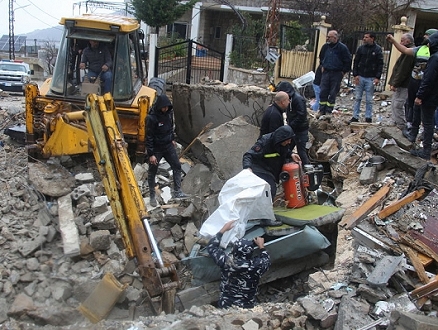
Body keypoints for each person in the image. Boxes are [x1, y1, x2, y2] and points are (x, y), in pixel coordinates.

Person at [207, 220, 271, 309]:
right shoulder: (256, 266)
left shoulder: (226, 262)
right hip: (247, 307)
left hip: (226, 306)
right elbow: (266, 259)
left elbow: (211, 247)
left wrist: (223, 230)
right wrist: (261, 246)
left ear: (234, 250)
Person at [386, 29, 438, 134]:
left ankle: (426, 139)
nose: (425, 38)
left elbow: (404, 70)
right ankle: (413, 132)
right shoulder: (421, 49)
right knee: (413, 108)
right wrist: (393, 41)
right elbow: (405, 50)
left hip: (428, 87)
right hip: (415, 84)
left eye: (427, 36)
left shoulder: (435, 55)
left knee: (427, 115)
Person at [146, 94, 188, 206]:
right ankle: (152, 196)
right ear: (159, 106)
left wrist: (172, 139)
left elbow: (170, 128)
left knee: (177, 166)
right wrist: (151, 154)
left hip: (168, 146)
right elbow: (149, 136)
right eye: (163, 107)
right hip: (156, 149)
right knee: (152, 171)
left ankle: (177, 192)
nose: (165, 109)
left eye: (167, 107)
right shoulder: (152, 118)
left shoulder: (169, 114)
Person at [242, 125, 301, 200]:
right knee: (270, 189)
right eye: (288, 140)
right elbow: (248, 155)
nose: (289, 142)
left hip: (271, 170)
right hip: (260, 168)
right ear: (282, 138)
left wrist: (291, 154)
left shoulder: (282, 143)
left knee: (271, 190)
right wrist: (247, 168)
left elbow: (283, 151)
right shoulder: (264, 142)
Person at [409, 32, 438, 160]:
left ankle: (426, 151)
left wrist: (420, 95)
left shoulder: (435, 58)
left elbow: (428, 79)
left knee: (427, 122)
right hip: (434, 95)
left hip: (429, 96)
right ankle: (414, 136)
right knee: (427, 121)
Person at [350, 32, 384, 123]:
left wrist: (377, 77)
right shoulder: (361, 49)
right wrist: (355, 75)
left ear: (372, 38)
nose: (364, 39)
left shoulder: (377, 50)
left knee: (369, 99)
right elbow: (356, 62)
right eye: (364, 37)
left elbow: (380, 64)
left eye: (366, 37)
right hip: (360, 76)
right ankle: (355, 116)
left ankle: (368, 117)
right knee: (357, 98)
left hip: (371, 78)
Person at [317, 30, 352, 117]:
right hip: (326, 72)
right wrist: (322, 66)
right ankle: (322, 110)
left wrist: (343, 71)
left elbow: (348, 60)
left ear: (335, 38)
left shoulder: (342, 48)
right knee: (323, 91)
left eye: (329, 37)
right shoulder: (325, 47)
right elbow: (321, 57)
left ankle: (329, 111)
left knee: (333, 93)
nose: (327, 38)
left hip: (336, 73)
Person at [275, 81, 310, 165]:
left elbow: (302, 115)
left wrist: (291, 125)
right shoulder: (290, 99)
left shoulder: (297, 99)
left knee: (301, 151)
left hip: (300, 130)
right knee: (287, 149)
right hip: (293, 129)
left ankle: (308, 169)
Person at [387, 33, 415, 130]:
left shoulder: (409, 54)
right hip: (402, 84)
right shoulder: (406, 53)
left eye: (402, 40)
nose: (400, 42)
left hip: (404, 84)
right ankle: (395, 122)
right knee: (395, 103)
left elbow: (403, 70)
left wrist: (395, 83)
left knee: (398, 104)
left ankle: (401, 125)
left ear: (408, 41)